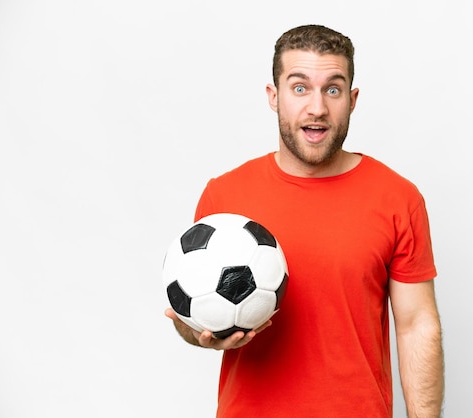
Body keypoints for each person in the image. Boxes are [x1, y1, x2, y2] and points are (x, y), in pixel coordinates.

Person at [165, 24, 444, 418]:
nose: (317, 108)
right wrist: (198, 333)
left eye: (333, 89)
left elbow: (417, 325)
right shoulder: (224, 198)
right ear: (274, 97)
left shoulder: (398, 198)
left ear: (352, 98)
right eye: (300, 88)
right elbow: (193, 313)